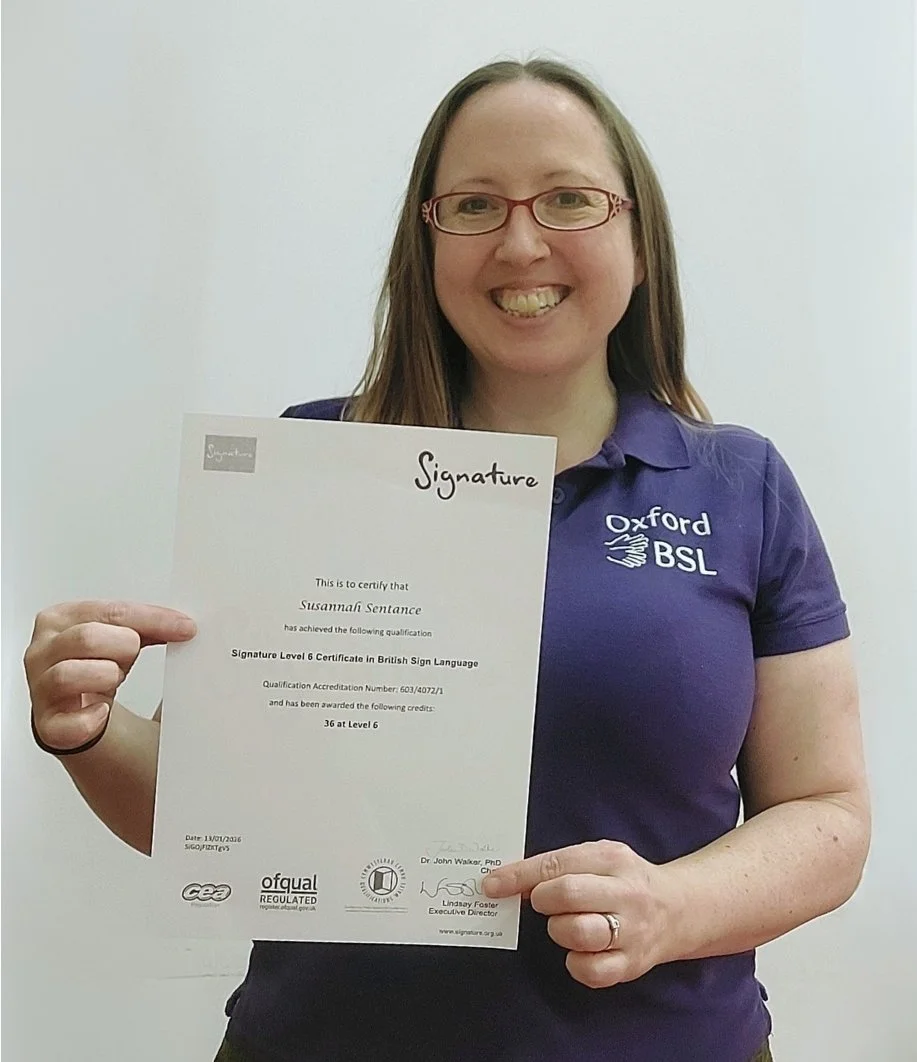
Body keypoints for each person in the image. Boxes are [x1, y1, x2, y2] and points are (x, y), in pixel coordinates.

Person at [24, 58, 870, 1062]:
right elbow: (203, 815)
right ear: (424, 243)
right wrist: (84, 730)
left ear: (637, 241)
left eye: (566, 198)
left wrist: (670, 907)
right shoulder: (315, 466)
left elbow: (826, 812)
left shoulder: (739, 485)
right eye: (472, 205)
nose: (520, 242)